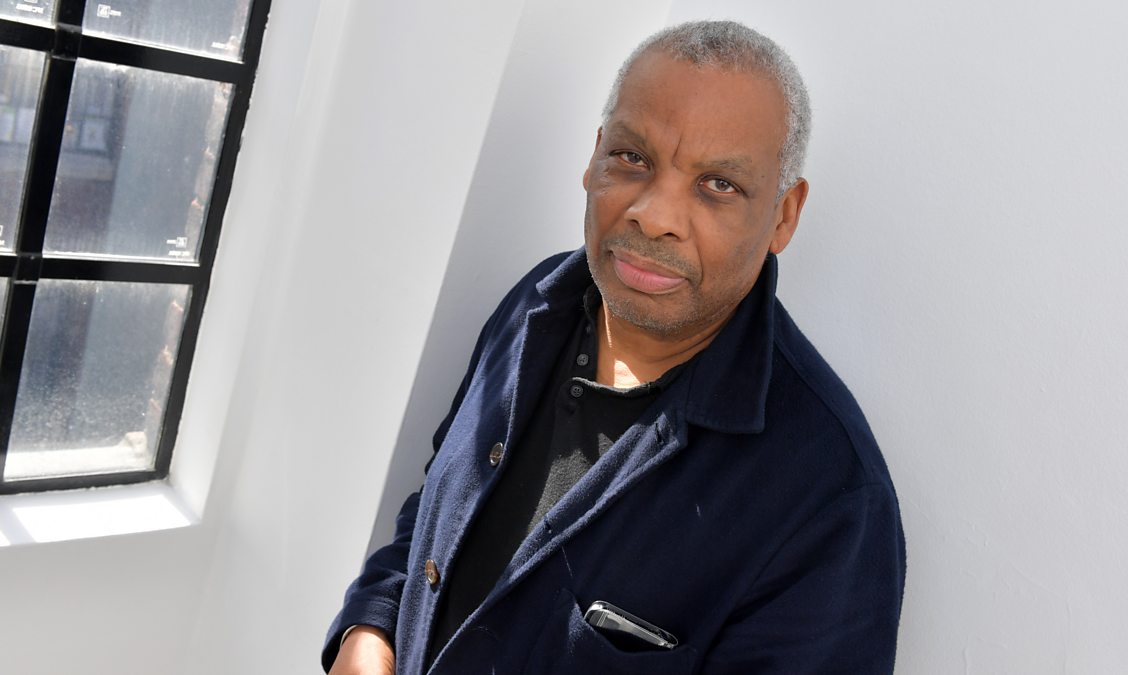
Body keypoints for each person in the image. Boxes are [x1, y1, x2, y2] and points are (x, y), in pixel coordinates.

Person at [324, 20, 905, 674]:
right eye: (633, 158)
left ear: (783, 215)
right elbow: (438, 504)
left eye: (718, 184)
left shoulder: (828, 500)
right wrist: (369, 629)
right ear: (594, 155)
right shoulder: (534, 306)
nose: (654, 216)